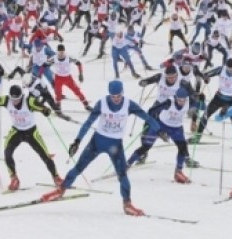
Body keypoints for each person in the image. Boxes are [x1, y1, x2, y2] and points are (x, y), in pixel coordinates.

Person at [41, 80, 161, 216]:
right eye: (113, 96)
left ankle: (127, 204)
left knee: (122, 175)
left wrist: (158, 129)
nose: (115, 99)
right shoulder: (102, 103)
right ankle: (61, 190)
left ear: (122, 93)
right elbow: (88, 123)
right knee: (79, 167)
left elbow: (146, 117)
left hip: (115, 144)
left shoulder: (129, 105)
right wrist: (77, 141)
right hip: (97, 141)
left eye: (118, 96)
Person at [0, 85, 61, 190]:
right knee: (7, 153)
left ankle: (56, 177)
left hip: (31, 132)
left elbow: (44, 109)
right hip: (16, 131)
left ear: (21, 96)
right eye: (13, 99)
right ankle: (14, 178)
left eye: (18, 99)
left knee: (45, 155)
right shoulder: (6, 100)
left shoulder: (29, 101)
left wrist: (46, 111)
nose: (15, 101)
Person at [127, 87, 198, 183]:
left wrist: (194, 117)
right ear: (176, 97)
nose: (181, 102)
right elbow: (151, 111)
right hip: (161, 125)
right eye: (179, 100)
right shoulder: (169, 102)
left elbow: (199, 104)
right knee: (146, 147)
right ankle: (127, 164)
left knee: (183, 148)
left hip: (176, 128)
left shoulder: (190, 101)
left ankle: (178, 172)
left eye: (183, 100)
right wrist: (156, 127)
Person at [189, 58, 232, 144]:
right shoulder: (221, 69)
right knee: (205, 115)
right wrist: (205, 77)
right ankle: (197, 137)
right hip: (218, 98)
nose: (230, 70)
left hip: (230, 101)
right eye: (228, 68)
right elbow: (206, 74)